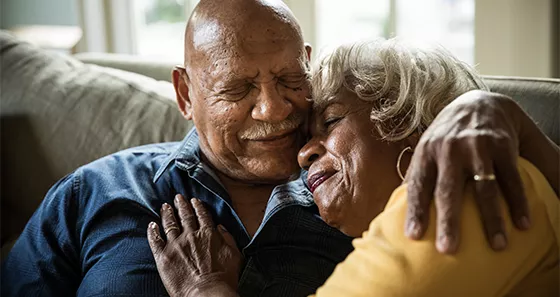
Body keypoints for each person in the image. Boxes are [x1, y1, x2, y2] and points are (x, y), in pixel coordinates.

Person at [1, 0, 553, 296]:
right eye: (237, 90)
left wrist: (499, 113)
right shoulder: (96, 190)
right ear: (185, 94)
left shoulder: (362, 203)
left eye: (292, 81)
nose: (274, 110)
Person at [147, 39, 559, 296]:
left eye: (330, 122)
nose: (303, 153)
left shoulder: (452, 195)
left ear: (406, 121)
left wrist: (204, 288)